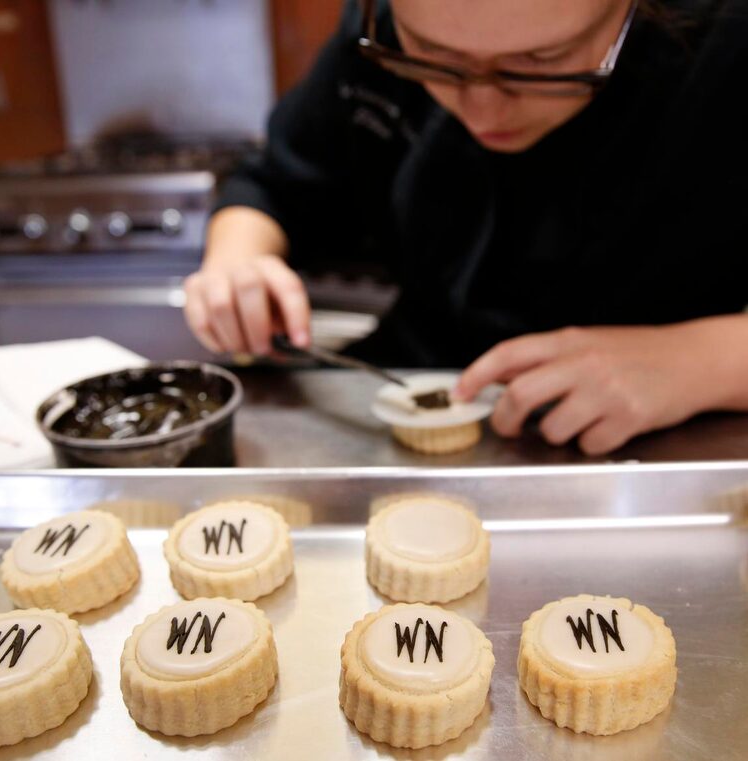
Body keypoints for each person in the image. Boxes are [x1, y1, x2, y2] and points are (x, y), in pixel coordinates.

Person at [183, 0, 748, 454]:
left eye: (542, 59)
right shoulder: (380, 33)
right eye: (433, 53)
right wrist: (238, 258)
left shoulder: (728, 44)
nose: (482, 110)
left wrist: (699, 362)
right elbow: (273, 184)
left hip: (674, 439)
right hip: (409, 397)